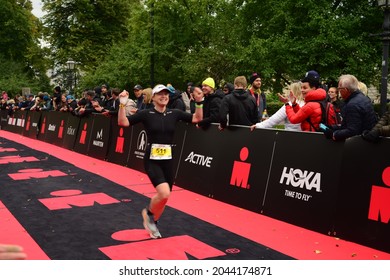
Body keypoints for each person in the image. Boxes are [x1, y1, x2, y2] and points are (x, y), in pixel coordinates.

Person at [117, 84, 204, 239]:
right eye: (160, 94)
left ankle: (153, 222)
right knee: (163, 193)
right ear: (154, 98)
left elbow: (197, 118)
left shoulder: (175, 113)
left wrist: (199, 102)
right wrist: (122, 104)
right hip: (152, 160)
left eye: (166, 94)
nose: (164, 96)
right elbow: (123, 122)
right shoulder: (146, 113)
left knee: (165, 197)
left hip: (168, 160)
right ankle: (149, 214)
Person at [325, 74, 377, 141]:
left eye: (339, 89)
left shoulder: (352, 105)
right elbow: (352, 123)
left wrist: (334, 134)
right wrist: (332, 127)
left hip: (360, 144)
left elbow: (353, 131)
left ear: (345, 90)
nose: (339, 92)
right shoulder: (363, 98)